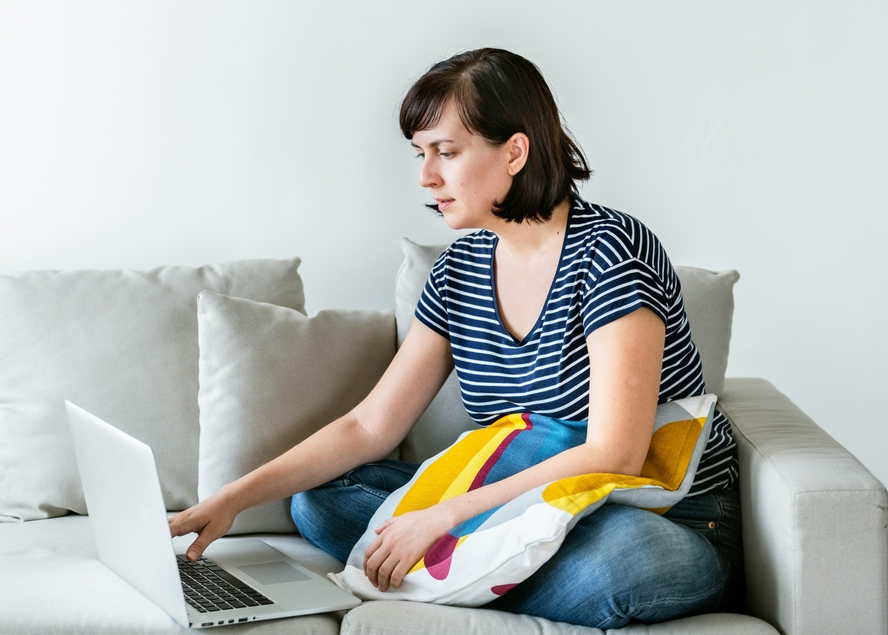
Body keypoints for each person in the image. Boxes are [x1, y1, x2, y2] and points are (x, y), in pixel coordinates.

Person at [169, 48, 743, 630]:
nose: (426, 176)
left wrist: (441, 517)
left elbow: (613, 454)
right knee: (319, 498)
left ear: (515, 151)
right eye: (421, 154)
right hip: (523, 506)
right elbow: (371, 426)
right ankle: (467, 573)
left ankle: (443, 574)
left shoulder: (611, 252)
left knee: (627, 563)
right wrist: (232, 497)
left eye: (446, 152)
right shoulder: (458, 270)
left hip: (654, 514)